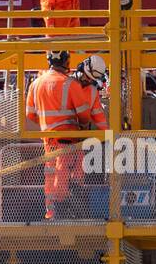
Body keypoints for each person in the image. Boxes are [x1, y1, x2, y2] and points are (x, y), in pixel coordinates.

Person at [25, 52, 108, 219]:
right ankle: (61, 211)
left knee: (54, 176)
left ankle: (53, 212)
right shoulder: (69, 84)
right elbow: (85, 116)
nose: (87, 81)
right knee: (63, 177)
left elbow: (30, 115)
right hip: (69, 139)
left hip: (50, 140)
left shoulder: (36, 83)